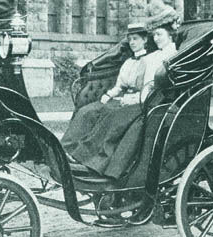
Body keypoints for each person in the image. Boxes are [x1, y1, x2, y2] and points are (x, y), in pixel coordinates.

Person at [61, 24, 150, 179]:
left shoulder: (149, 61)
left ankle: (92, 161)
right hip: (122, 97)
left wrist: (130, 99)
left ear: (145, 40)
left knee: (110, 115)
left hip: (137, 101)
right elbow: (119, 85)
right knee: (88, 111)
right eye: (130, 40)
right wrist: (108, 95)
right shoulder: (128, 62)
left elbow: (148, 87)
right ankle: (67, 150)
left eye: (136, 39)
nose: (132, 43)